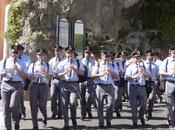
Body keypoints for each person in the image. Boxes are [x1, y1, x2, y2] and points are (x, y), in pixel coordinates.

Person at [56, 46, 84, 129]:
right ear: (65, 53)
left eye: (71, 53)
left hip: (74, 84)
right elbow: (56, 75)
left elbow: (82, 73)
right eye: (68, 53)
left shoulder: (78, 62)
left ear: (73, 54)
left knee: (73, 103)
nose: (69, 55)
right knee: (64, 104)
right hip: (64, 84)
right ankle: (66, 123)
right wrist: (64, 72)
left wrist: (75, 69)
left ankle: (73, 118)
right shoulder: (62, 63)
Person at [0, 45, 28, 130]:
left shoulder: (22, 63)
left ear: (19, 53)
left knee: (13, 106)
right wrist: (5, 72)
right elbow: (0, 73)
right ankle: (8, 127)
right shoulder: (4, 61)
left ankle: (16, 121)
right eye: (13, 52)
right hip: (5, 84)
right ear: (10, 52)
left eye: (16, 52)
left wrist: (17, 70)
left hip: (17, 85)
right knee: (6, 108)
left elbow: (25, 76)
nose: (14, 54)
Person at [92, 50, 118, 128]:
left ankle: (108, 120)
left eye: (108, 56)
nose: (106, 58)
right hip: (100, 86)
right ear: (102, 56)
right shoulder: (98, 64)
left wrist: (111, 72)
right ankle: (101, 122)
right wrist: (101, 74)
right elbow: (93, 75)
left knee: (110, 105)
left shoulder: (112, 65)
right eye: (105, 56)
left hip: (110, 86)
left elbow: (117, 76)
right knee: (99, 105)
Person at [28, 48, 53, 130]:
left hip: (43, 86)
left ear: (45, 56)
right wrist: (34, 75)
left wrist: (45, 73)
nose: (40, 56)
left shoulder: (48, 65)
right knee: (33, 105)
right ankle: (35, 125)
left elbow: (51, 78)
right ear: (36, 56)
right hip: (34, 84)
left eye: (42, 55)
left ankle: (44, 116)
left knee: (42, 104)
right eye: (39, 55)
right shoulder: (33, 65)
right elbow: (29, 76)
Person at [125, 50, 151, 128]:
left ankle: (141, 116)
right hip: (133, 86)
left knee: (143, 104)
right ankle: (134, 121)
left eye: (139, 57)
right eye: (136, 57)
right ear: (133, 58)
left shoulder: (144, 66)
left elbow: (149, 75)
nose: (137, 59)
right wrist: (134, 77)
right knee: (133, 105)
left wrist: (144, 73)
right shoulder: (130, 66)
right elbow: (126, 77)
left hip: (142, 86)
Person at [159, 46, 175, 128]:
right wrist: (169, 73)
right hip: (170, 83)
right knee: (169, 104)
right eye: (173, 52)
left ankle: (173, 119)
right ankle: (171, 122)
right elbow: (161, 71)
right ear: (170, 52)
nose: (174, 53)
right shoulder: (166, 61)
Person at [16, 44, 31, 119]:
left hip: (23, 78)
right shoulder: (13, 57)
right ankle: (20, 111)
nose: (17, 51)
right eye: (16, 50)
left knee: (19, 95)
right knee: (18, 96)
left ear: (22, 50)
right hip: (14, 78)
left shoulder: (27, 58)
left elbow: (27, 69)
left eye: (18, 50)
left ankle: (21, 112)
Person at [80, 47, 96, 120]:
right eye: (86, 52)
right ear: (84, 53)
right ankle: (83, 113)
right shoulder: (80, 61)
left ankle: (88, 110)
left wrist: (94, 58)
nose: (87, 54)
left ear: (90, 53)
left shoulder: (93, 62)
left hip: (90, 80)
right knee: (82, 98)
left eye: (88, 52)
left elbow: (96, 69)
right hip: (82, 80)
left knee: (89, 97)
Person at [49, 45, 64, 119]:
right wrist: (53, 68)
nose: (56, 52)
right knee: (53, 96)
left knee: (62, 98)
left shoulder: (64, 60)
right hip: (54, 80)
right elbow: (48, 70)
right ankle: (54, 113)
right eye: (55, 51)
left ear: (61, 52)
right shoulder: (52, 60)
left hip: (62, 80)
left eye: (58, 51)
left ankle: (60, 113)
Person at [144, 50, 159, 120]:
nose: (152, 57)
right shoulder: (143, 64)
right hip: (145, 83)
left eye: (153, 56)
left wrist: (159, 82)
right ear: (147, 56)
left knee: (151, 98)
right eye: (150, 55)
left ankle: (149, 111)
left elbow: (157, 75)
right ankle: (144, 112)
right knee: (144, 99)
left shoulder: (155, 66)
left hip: (152, 83)